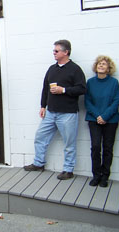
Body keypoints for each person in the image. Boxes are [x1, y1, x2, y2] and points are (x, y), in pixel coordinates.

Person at [24, 40, 86, 180]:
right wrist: (42, 106)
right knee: (40, 137)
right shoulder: (52, 69)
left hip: (68, 114)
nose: (54, 53)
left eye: (56, 51)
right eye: (54, 51)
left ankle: (68, 170)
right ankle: (39, 163)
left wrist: (63, 90)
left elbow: (82, 89)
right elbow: (45, 88)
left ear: (66, 52)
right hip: (51, 112)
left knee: (69, 143)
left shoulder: (75, 69)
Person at [85, 56, 119, 187]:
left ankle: (105, 176)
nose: (101, 65)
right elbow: (87, 101)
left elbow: (116, 101)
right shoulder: (90, 82)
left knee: (108, 148)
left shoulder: (114, 83)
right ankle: (96, 175)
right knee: (95, 147)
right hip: (93, 120)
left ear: (108, 68)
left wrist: (105, 116)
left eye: (104, 64)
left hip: (111, 120)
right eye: (99, 63)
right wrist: (98, 116)